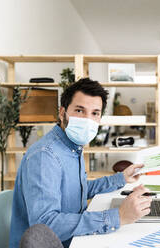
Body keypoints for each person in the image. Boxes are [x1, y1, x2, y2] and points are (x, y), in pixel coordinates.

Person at [9, 78, 152, 248]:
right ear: (62, 113)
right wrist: (118, 217)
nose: (87, 120)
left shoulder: (72, 148)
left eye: (95, 113)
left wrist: (120, 178)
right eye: (79, 110)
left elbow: (78, 190)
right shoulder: (45, 156)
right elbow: (45, 224)